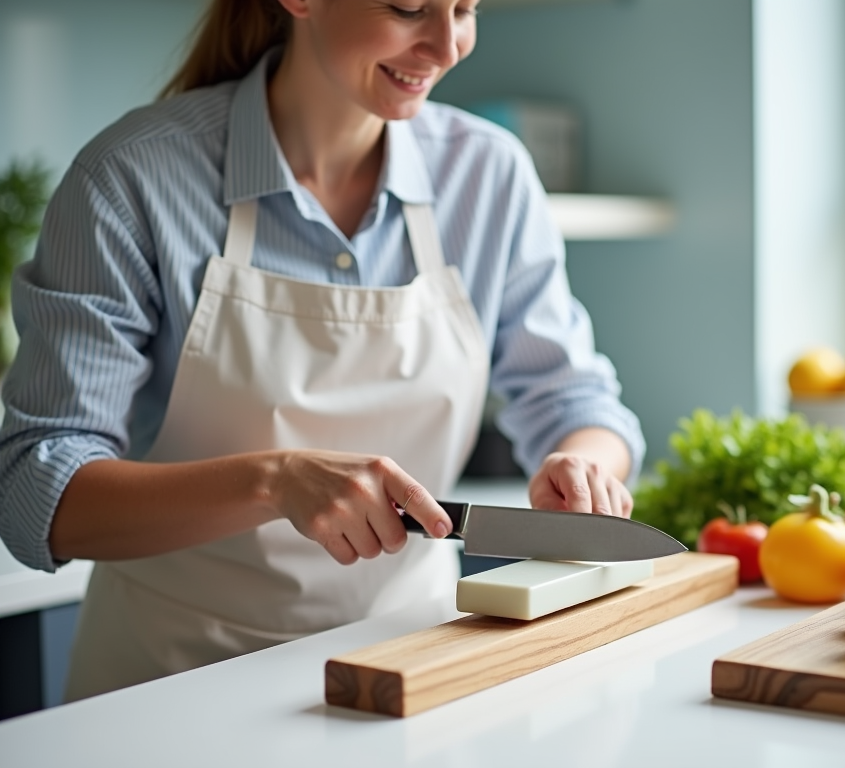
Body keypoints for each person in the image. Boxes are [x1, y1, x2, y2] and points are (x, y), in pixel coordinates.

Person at [0, 0, 644, 702]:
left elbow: (577, 402)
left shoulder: (490, 178)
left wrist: (584, 464)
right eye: (408, 7)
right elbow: (39, 490)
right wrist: (274, 481)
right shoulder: (132, 178)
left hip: (412, 668)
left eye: (466, 8)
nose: (447, 44)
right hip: (172, 684)